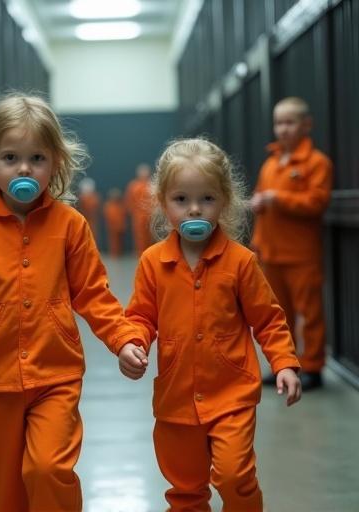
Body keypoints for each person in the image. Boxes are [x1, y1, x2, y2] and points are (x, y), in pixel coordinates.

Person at [0, 93, 147, 512]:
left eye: (37, 158)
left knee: (48, 470)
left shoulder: (71, 226)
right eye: (11, 157)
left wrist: (123, 340)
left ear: (56, 162)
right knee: (0, 490)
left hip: (56, 375)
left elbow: (94, 293)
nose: (24, 168)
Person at [121, 138, 302, 511]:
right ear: (163, 203)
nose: (194, 210)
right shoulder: (153, 263)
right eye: (181, 199)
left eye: (206, 198)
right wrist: (133, 343)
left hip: (231, 394)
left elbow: (268, 319)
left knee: (235, 477)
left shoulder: (240, 262)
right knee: (185, 490)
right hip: (176, 400)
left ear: (225, 200)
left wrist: (283, 362)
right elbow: (140, 315)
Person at [251, 97, 333, 391]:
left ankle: (312, 367)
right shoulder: (271, 164)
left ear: (306, 125)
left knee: (309, 314)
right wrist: (259, 205)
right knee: (277, 315)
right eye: (278, 123)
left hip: (301, 253)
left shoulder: (317, 163)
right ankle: (284, 364)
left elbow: (317, 202)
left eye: (289, 122)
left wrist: (276, 198)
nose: (282, 129)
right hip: (271, 252)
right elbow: (262, 198)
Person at [125, 163, 153, 256]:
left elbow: (156, 199)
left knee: (150, 235)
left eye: (145, 171)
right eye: (142, 171)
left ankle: (150, 255)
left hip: (150, 214)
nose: (143, 173)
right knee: (139, 236)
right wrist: (132, 212)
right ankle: (140, 255)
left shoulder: (151, 185)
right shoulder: (133, 185)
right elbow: (129, 200)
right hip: (138, 215)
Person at [103, 187, 126, 257]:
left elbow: (123, 215)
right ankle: (114, 253)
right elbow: (107, 216)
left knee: (120, 241)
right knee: (113, 241)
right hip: (112, 227)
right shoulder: (108, 205)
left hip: (120, 226)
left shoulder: (121, 205)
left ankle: (119, 253)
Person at [77, 176, 101, 242]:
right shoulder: (82, 198)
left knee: (92, 234)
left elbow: (96, 207)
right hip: (84, 219)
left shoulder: (94, 197)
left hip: (91, 220)